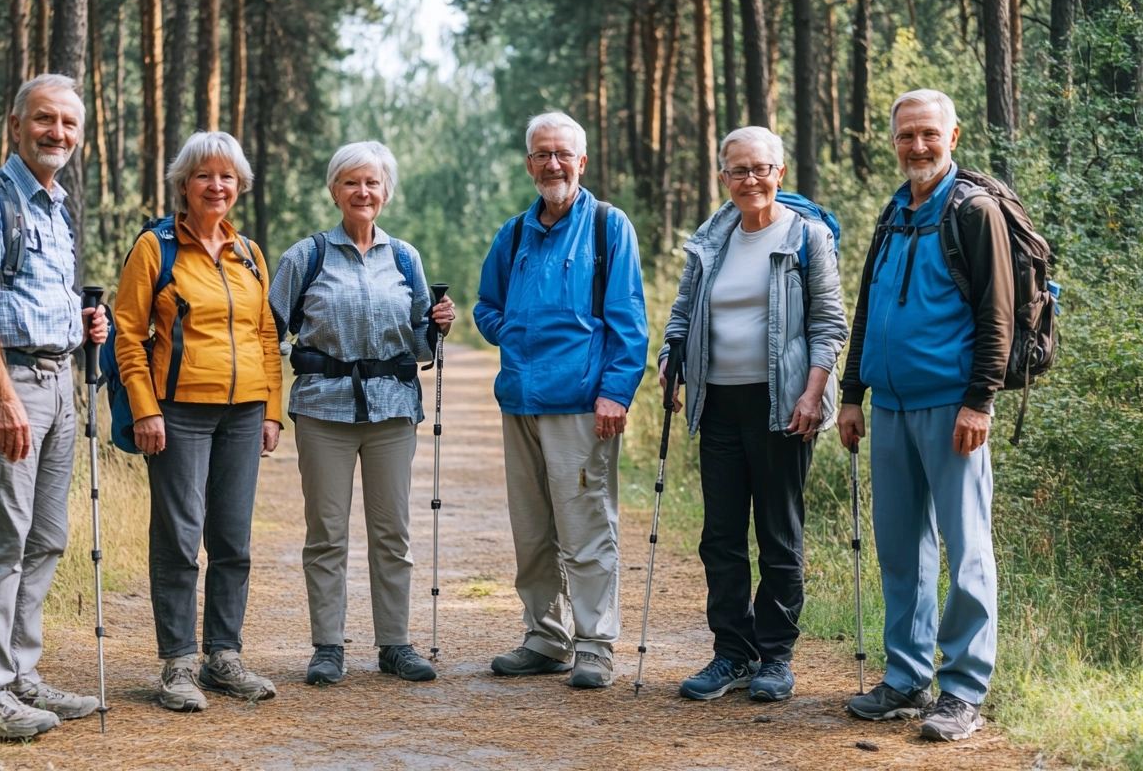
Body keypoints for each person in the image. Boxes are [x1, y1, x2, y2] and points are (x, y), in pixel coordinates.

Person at [838, 89, 1013, 742]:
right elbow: (867, 308)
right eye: (906, 135)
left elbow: (996, 313)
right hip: (890, 408)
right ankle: (907, 678)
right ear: (894, 140)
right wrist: (852, 394)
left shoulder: (974, 210)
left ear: (953, 135)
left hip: (952, 406)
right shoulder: (893, 211)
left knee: (966, 548)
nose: (917, 146)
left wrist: (980, 401)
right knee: (901, 548)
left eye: (928, 134)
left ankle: (963, 690)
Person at [660, 126, 848, 703]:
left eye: (760, 169)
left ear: (780, 173)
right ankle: (731, 654)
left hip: (783, 405)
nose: (750, 180)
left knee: (778, 534)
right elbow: (683, 312)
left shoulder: (807, 238)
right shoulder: (711, 240)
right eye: (738, 171)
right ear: (724, 178)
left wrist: (813, 395)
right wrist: (671, 359)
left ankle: (776, 658)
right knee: (719, 536)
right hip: (717, 402)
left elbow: (829, 324)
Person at [0, 74, 108, 739]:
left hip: (58, 384)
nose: (58, 134)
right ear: (15, 124)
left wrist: (82, 322)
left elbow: (33, 296)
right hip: (10, 388)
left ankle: (21, 676)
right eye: (45, 120)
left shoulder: (53, 206)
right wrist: (4, 397)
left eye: (69, 124)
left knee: (46, 538)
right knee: (2, 541)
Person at [267, 140, 455, 686]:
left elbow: (421, 347)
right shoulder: (305, 257)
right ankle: (328, 646)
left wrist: (437, 327)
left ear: (386, 191)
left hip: (393, 411)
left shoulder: (405, 258)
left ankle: (394, 643)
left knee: (391, 531)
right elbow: (267, 332)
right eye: (351, 182)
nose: (362, 192)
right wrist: (266, 407)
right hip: (323, 409)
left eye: (372, 183)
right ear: (334, 191)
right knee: (326, 532)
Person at [474, 112, 649, 689]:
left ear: (582, 161)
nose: (553, 164)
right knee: (532, 530)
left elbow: (629, 321)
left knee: (587, 527)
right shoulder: (515, 233)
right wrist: (515, 333)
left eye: (562, 154)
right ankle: (546, 638)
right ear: (529, 164)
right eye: (542, 154)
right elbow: (486, 306)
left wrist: (614, 393)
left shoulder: (607, 226)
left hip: (581, 406)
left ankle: (595, 642)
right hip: (520, 404)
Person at [113, 131, 282, 712]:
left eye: (228, 177)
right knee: (180, 539)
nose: (217, 186)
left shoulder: (250, 254)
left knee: (232, 540)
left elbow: (265, 335)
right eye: (205, 176)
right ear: (183, 184)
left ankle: (224, 658)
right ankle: (178, 662)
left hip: (243, 413)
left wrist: (271, 411)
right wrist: (145, 408)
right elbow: (128, 336)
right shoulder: (154, 247)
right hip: (177, 414)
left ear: (240, 186)